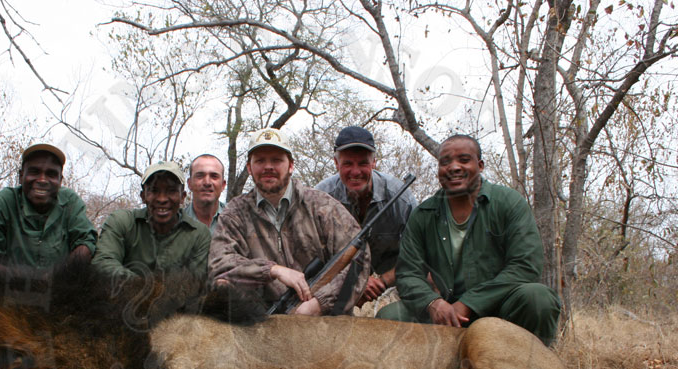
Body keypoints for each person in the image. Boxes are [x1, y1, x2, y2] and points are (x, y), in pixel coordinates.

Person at [377, 134, 561, 345]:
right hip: (445, 313)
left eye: (464, 160)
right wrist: (433, 303)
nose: (454, 167)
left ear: (480, 165)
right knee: (389, 317)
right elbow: (408, 273)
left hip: (499, 306)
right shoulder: (423, 214)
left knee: (538, 298)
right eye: (445, 162)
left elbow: (525, 266)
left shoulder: (509, 203)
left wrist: (469, 303)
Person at [209, 127, 369, 316]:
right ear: (249, 168)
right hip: (262, 323)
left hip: (325, 321)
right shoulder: (235, 213)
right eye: (260, 160)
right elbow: (219, 265)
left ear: (291, 165)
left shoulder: (322, 206)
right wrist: (272, 270)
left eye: (276, 160)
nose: (268, 167)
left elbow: (360, 259)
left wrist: (319, 303)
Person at [316, 126, 415, 305]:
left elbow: (418, 253)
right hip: (339, 282)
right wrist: (355, 282)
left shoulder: (400, 197)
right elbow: (314, 255)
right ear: (336, 164)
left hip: (392, 282)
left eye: (363, 163)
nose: (355, 172)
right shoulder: (320, 197)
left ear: (374, 162)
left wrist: (383, 281)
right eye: (347, 164)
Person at [0, 143, 97, 273]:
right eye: (34, 172)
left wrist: (57, 276)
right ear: (21, 176)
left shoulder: (71, 201)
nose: (42, 180)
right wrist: (24, 281)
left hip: (60, 288)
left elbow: (87, 242)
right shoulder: (4, 201)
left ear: (60, 180)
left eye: (51, 174)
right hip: (6, 288)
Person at [92, 161, 211, 281]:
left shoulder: (199, 234)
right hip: (123, 296)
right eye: (154, 191)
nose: (162, 199)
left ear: (182, 197)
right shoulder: (122, 222)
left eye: (171, 191)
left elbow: (195, 282)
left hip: (177, 299)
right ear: (143, 196)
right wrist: (143, 287)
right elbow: (103, 263)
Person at [184, 154, 227, 232]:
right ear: (189, 184)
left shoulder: (238, 221)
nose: (207, 182)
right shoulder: (175, 223)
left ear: (223, 185)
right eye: (200, 176)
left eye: (214, 176)